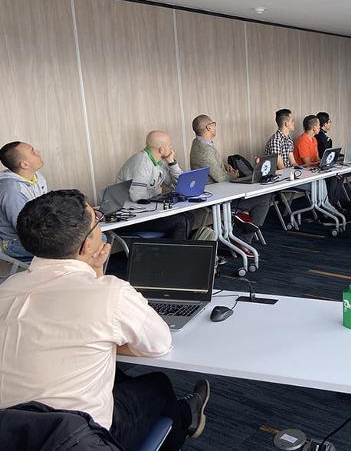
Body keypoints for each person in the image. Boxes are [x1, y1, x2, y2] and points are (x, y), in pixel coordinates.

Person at [0, 190, 210, 450]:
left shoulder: (7, 288)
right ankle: (186, 418)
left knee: (115, 374)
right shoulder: (111, 293)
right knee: (158, 385)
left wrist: (95, 272)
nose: (101, 225)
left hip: (11, 433)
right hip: (78, 438)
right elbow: (159, 344)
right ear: (87, 245)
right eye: (97, 221)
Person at [189, 114, 272, 253]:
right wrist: (236, 175)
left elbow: (212, 164)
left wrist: (224, 165)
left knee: (260, 193)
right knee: (264, 197)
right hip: (218, 197)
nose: (215, 126)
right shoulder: (204, 150)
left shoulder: (200, 143)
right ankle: (244, 239)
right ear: (208, 127)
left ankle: (244, 219)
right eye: (213, 124)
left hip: (221, 190)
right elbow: (221, 178)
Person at [115, 130, 194, 239]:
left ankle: (171, 248)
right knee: (181, 221)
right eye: (169, 145)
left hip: (144, 211)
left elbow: (179, 184)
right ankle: (176, 249)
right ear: (161, 150)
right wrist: (156, 191)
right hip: (129, 218)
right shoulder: (141, 163)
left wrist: (172, 163)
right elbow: (137, 196)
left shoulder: (160, 162)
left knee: (188, 216)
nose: (171, 148)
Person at [0, 141, 48, 260]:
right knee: (70, 247)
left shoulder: (36, 176)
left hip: (39, 230)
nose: (38, 152)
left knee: (83, 237)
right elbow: (25, 229)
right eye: (33, 152)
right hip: (14, 242)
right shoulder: (12, 191)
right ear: (24, 164)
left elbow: (48, 205)